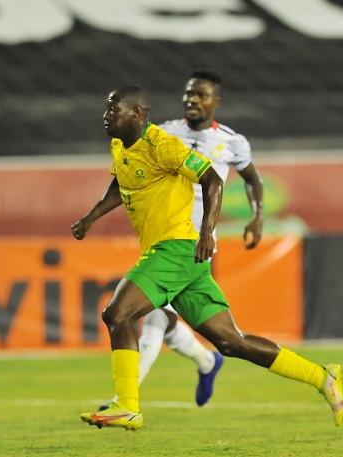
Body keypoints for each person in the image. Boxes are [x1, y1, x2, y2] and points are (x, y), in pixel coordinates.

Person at [72, 85, 343, 431]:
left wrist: (207, 232)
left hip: (176, 248)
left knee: (117, 313)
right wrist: (92, 217)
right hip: (180, 257)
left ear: (137, 113)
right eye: (107, 109)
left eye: (114, 110)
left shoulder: (163, 145)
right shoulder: (119, 146)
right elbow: (120, 184)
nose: (106, 116)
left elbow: (212, 180)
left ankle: (127, 405)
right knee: (233, 342)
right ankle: (323, 378)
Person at [103, 71, 265, 410]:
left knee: (153, 321)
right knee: (168, 321)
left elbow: (252, 179)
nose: (193, 100)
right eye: (189, 94)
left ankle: (123, 402)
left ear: (215, 102)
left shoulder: (233, 141)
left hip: (195, 245)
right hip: (162, 236)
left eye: (202, 95)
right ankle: (208, 362)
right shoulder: (162, 133)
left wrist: (257, 215)